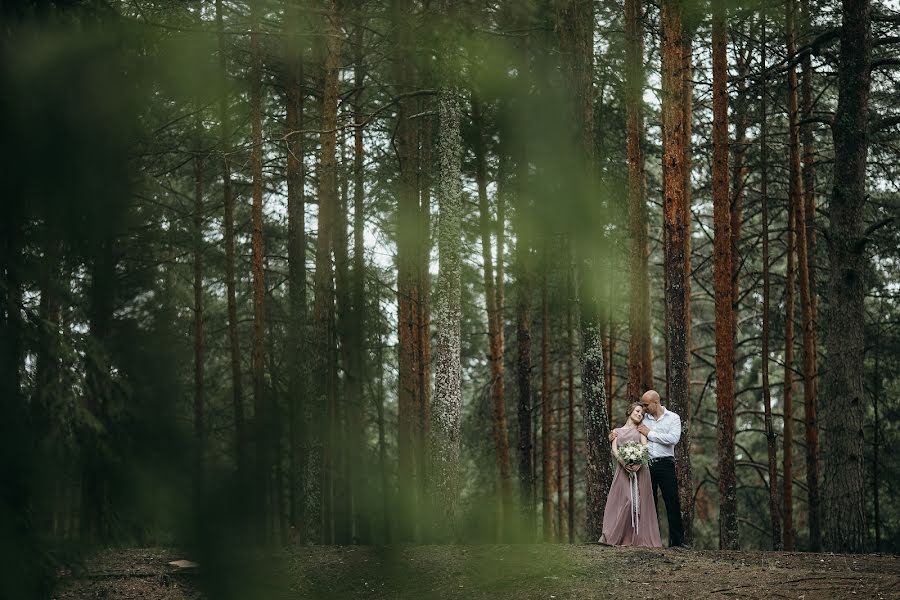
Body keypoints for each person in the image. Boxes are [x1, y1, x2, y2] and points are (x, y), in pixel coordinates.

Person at [609, 389, 688, 549]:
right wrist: (614, 435)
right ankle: (648, 540)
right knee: (646, 502)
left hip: (666, 464)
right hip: (646, 466)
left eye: (646, 405)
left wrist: (650, 433)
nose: (643, 408)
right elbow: (629, 428)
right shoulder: (643, 418)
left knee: (671, 501)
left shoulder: (673, 418)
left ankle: (677, 542)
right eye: (642, 406)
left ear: (656, 403)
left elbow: (673, 439)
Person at [599, 402, 662, 547]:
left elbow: (645, 446)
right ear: (630, 411)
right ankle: (619, 536)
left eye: (641, 414)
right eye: (637, 411)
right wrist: (623, 463)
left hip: (640, 470)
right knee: (626, 500)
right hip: (623, 470)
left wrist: (639, 463)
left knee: (639, 502)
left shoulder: (640, 430)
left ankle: (637, 538)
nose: (639, 414)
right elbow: (614, 450)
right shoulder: (616, 431)